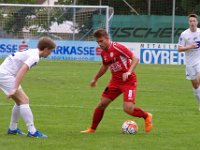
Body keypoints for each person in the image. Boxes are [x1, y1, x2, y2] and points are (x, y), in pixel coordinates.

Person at [81, 29, 153, 133]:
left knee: (127, 108)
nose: (99, 44)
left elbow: (135, 59)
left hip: (128, 81)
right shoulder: (103, 53)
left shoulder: (118, 47)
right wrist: (95, 79)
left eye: (101, 41)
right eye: (97, 42)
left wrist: (129, 71)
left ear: (107, 38)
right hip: (115, 82)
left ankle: (147, 116)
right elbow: (105, 66)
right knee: (102, 104)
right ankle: (92, 129)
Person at [0, 37, 56, 138]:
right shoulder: (35, 56)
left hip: (5, 73)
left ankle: (12, 129)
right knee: (24, 100)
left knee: (19, 102)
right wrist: (14, 88)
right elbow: (23, 70)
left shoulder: (33, 52)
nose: (50, 53)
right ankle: (32, 131)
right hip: (6, 74)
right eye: (51, 51)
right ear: (46, 49)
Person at [178, 14, 200, 111]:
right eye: (190, 21)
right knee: (195, 85)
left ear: (197, 22)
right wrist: (190, 47)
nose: (192, 23)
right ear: (188, 22)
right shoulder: (184, 34)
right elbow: (179, 49)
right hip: (190, 63)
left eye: (194, 21)